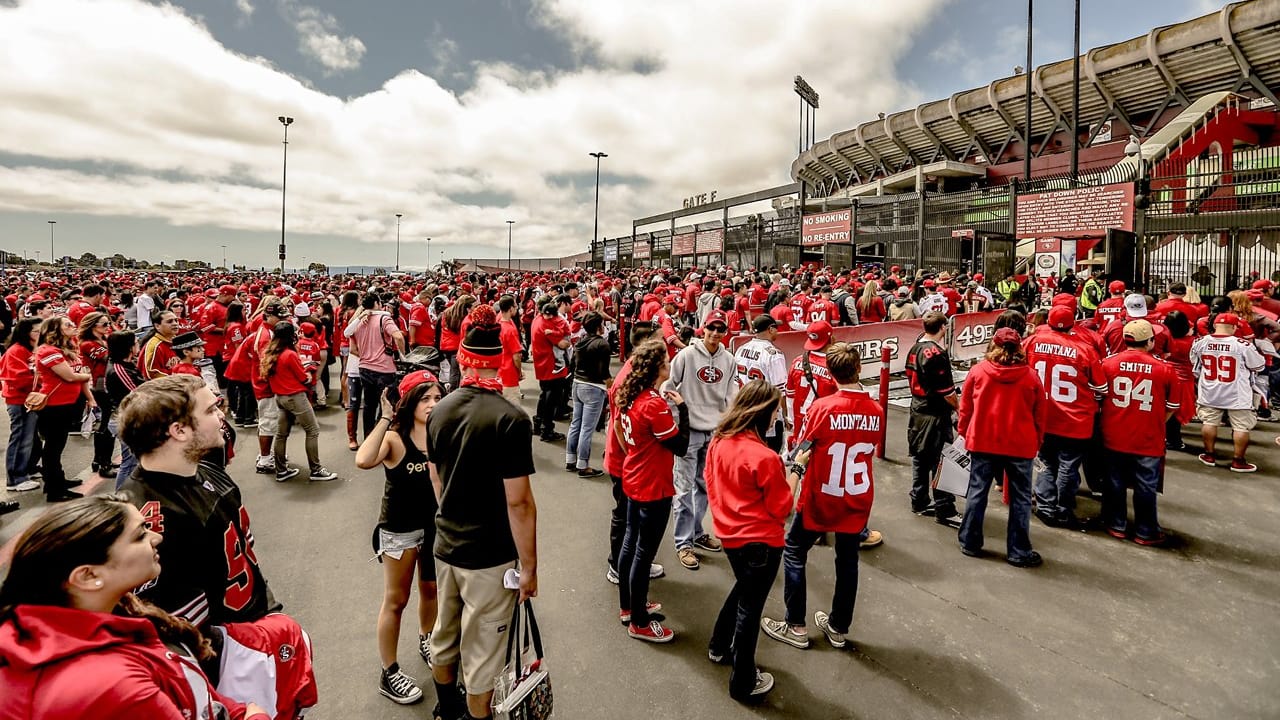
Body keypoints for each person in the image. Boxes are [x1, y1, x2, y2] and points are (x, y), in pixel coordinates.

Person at [118, 374, 317, 718]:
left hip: (255, 624)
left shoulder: (207, 471)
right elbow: (168, 626)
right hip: (226, 656)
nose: (221, 415)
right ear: (179, 430)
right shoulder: (143, 519)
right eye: (211, 409)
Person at [0, 495, 271, 720]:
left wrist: (236, 711)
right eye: (140, 535)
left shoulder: (100, 616)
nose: (156, 537)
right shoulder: (112, 686)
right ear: (88, 576)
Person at [426, 305, 537, 720]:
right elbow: (519, 502)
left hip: (447, 542)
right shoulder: (510, 419)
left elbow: (436, 479)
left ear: (462, 358)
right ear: (500, 361)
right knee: (483, 657)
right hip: (489, 554)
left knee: (445, 635)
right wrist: (529, 567)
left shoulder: (439, 409)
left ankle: (446, 709)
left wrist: (450, 516)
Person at [761, 343, 880, 655]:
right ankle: (839, 626)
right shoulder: (877, 411)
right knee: (848, 560)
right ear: (858, 369)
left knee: (795, 551)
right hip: (856, 495)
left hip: (822, 493)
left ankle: (795, 625)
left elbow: (805, 446)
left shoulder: (823, 408)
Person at [356, 371, 443, 705]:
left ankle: (426, 639)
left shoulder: (438, 431)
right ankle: (389, 671)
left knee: (431, 588)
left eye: (437, 397)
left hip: (434, 525)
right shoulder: (395, 437)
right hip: (400, 528)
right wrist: (385, 417)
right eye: (425, 398)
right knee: (396, 599)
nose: (433, 404)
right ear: (409, 401)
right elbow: (363, 460)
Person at [705, 380, 792, 702]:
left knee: (742, 591)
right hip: (762, 543)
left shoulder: (719, 441)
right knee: (750, 610)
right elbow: (783, 507)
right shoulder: (765, 457)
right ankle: (743, 681)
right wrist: (794, 472)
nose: (775, 419)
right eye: (773, 413)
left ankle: (718, 645)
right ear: (762, 413)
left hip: (730, 537)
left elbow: (711, 483)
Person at [615, 340, 688, 643]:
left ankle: (629, 607)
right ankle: (640, 622)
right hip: (652, 485)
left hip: (634, 476)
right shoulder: (653, 404)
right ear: (657, 367)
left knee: (631, 544)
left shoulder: (632, 395)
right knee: (643, 553)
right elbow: (681, 446)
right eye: (666, 361)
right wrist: (682, 408)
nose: (670, 364)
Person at [957, 327, 1047, 568]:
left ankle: (970, 541)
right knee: (1020, 499)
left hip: (984, 441)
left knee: (977, 492)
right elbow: (1040, 414)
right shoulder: (1030, 377)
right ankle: (1018, 551)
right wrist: (1037, 440)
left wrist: (965, 433)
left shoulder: (978, 372)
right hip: (1019, 444)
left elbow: (965, 408)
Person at [664, 309, 738, 571]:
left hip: (714, 431)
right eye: (711, 328)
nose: (715, 333)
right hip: (689, 432)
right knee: (683, 489)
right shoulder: (685, 355)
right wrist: (678, 422)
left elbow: (732, 393)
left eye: (721, 329)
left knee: (705, 486)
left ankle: (696, 532)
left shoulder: (729, 359)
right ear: (703, 328)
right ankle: (683, 543)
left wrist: (728, 425)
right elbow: (668, 388)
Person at [1099, 320, 1180, 546]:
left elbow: (1098, 397)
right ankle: (1146, 530)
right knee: (1146, 485)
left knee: (1114, 481)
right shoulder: (1164, 368)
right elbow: (1173, 405)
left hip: (1113, 432)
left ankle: (1116, 523)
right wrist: (1156, 421)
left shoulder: (1108, 364)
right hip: (1148, 436)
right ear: (1151, 341)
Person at [1025, 306, 1106, 529]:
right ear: (1074, 323)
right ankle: (1062, 509)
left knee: (1045, 462)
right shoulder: (1084, 349)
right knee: (1067, 466)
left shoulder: (1032, 342)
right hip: (1075, 419)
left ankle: (1044, 506)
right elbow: (1101, 387)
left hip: (1042, 415)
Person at [602, 323, 666, 586]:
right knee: (626, 517)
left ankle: (635, 563)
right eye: (661, 342)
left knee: (635, 520)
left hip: (630, 462)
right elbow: (618, 424)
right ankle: (618, 566)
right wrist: (635, 457)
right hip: (625, 463)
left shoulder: (639, 374)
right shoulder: (628, 378)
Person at [261, 323, 338, 482]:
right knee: (312, 430)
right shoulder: (289, 354)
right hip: (295, 396)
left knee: (281, 435)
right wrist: (309, 375)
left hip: (280, 397)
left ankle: (281, 470)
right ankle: (315, 470)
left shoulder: (271, 353)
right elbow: (304, 378)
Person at [904, 311, 960, 526]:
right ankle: (944, 508)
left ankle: (919, 500)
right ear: (943, 328)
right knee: (941, 462)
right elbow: (947, 391)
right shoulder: (935, 353)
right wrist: (959, 408)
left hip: (917, 408)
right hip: (935, 413)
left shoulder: (915, 348)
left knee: (920, 457)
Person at [1191, 312, 1266, 472]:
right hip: (1237, 391)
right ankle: (1238, 460)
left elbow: (1195, 366)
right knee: (1241, 427)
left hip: (1210, 389)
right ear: (1233, 327)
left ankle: (1209, 454)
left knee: (1209, 422)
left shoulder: (1200, 342)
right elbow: (1259, 366)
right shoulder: (1242, 344)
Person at [34, 315, 94, 502]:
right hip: (54, 406)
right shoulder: (47, 350)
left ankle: (58, 480)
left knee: (58, 446)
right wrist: (85, 376)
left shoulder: (67, 349)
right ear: (55, 330)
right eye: (68, 325)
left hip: (68, 403)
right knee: (53, 447)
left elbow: (78, 373)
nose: (73, 326)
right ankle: (54, 489)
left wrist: (88, 393)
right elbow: (69, 376)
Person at [348, 292, 406, 438]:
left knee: (369, 405)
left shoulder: (359, 321)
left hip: (365, 367)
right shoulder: (384, 318)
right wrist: (402, 354)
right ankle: (383, 436)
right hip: (384, 368)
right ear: (376, 303)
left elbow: (352, 347)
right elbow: (398, 336)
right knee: (386, 405)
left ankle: (369, 436)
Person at [733, 314, 788, 451]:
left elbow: (734, 383)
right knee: (769, 458)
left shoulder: (741, 349)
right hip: (767, 416)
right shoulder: (773, 354)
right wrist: (786, 416)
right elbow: (780, 391)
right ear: (770, 329)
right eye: (776, 328)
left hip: (745, 412)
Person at [566, 312, 611, 477]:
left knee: (575, 424)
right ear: (600, 326)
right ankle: (583, 465)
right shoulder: (602, 344)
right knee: (587, 428)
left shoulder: (580, 342)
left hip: (578, 384)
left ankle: (570, 459)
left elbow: (573, 364)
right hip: (593, 387)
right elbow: (604, 371)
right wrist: (612, 386)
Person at [1, 317, 42, 493]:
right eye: (36, 331)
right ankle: (15, 478)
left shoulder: (31, 349)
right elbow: (18, 379)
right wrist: (41, 379)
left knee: (30, 439)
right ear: (26, 333)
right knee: (21, 439)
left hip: (30, 400)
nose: (40, 334)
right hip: (19, 400)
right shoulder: (16, 351)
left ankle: (25, 470)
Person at [104, 331, 145, 490]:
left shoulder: (127, 365)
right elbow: (139, 393)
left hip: (131, 417)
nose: (138, 345)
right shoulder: (119, 370)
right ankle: (122, 496)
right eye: (136, 342)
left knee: (134, 461)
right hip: (125, 420)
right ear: (128, 347)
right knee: (130, 463)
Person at [78, 311, 116, 478]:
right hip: (99, 384)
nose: (108, 327)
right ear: (93, 326)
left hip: (108, 381)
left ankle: (101, 459)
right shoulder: (87, 344)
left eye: (109, 323)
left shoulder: (105, 340)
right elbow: (109, 357)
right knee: (107, 423)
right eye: (104, 324)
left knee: (109, 421)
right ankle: (103, 462)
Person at [530, 302, 571, 442]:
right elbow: (563, 344)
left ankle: (538, 424)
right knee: (551, 399)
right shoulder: (548, 325)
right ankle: (547, 430)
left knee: (544, 395)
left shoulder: (538, 319)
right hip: (552, 366)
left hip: (542, 363)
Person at [138, 309, 179, 379]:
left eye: (176, 320)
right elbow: (151, 374)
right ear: (157, 326)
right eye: (170, 321)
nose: (175, 323)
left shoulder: (176, 340)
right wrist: (179, 376)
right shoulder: (155, 346)